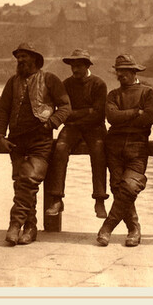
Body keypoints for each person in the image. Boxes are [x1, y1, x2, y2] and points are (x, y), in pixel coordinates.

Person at [0, 43, 72, 246]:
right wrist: (1, 136)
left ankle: (14, 225)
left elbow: (65, 106)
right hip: (16, 141)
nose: (20, 60)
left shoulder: (50, 79)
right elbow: (3, 110)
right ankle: (30, 228)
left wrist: (52, 122)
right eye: (18, 57)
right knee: (21, 184)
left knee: (29, 180)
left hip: (41, 140)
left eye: (24, 56)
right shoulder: (12, 82)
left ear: (35, 59)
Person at [97, 54, 153, 248]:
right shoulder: (113, 94)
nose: (120, 74)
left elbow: (149, 117)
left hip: (137, 146)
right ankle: (134, 229)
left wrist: (128, 118)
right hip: (113, 146)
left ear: (133, 72)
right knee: (117, 187)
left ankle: (107, 227)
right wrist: (134, 113)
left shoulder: (147, 93)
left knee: (130, 187)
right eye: (118, 71)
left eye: (124, 71)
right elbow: (112, 117)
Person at [43, 48, 109, 219]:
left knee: (98, 151)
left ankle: (100, 199)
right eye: (73, 66)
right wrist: (85, 111)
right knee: (60, 149)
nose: (75, 70)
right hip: (72, 127)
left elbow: (99, 114)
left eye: (79, 66)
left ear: (87, 65)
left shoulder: (99, 84)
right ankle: (57, 199)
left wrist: (76, 116)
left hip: (95, 127)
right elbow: (64, 111)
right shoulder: (66, 84)